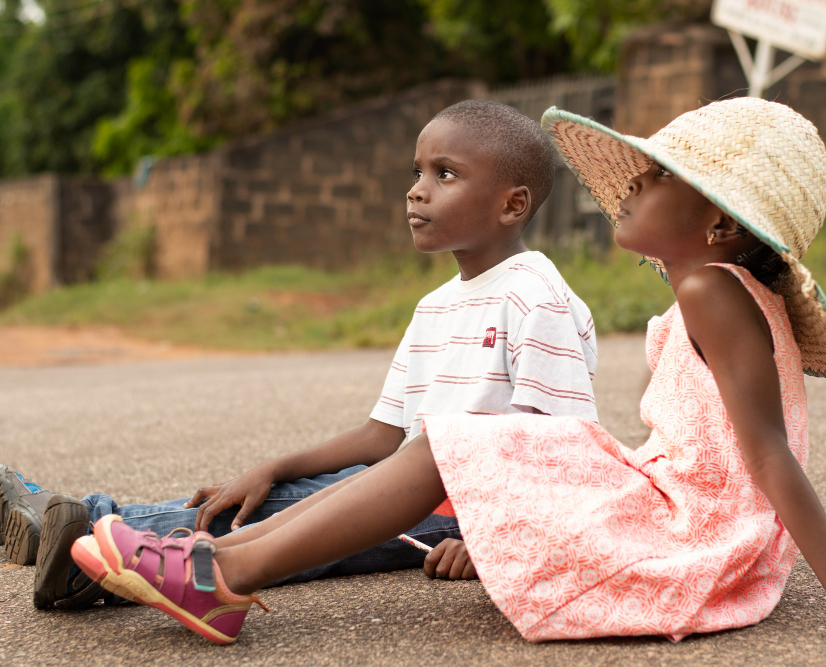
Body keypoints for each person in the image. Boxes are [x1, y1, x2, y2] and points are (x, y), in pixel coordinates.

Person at [70, 97, 826, 645]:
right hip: (670, 500)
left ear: (719, 225)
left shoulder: (711, 292)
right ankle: (210, 562)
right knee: (443, 446)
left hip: (692, 531)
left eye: (653, 181)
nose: (629, 190)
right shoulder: (713, 288)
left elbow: (767, 459)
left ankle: (215, 573)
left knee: (450, 446)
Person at [7, 99, 600, 611]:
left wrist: (494, 536)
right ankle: (90, 546)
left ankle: (84, 537)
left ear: (511, 205)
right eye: (417, 171)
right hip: (395, 483)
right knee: (275, 500)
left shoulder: (535, 296)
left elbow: (560, 449)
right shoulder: (435, 306)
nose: (416, 189)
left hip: (454, 512)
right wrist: (277, 466)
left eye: (445, 174)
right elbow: (380, 436)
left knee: (291, 531)